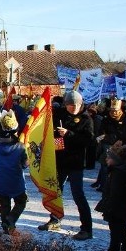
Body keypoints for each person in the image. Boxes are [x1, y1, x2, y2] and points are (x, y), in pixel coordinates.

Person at [39, 90, 95, 240]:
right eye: (71, 105)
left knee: (78, 195)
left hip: (76, 162)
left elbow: (88, 141)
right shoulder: (60, 114)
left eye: (76, 105)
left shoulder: (86, 119)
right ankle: (55, 220)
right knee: (56, 191)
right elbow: (51, 131)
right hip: (60, 160)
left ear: (81, 104)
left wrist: (69, 134)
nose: (74, 108)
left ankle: (86, 229)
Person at [0, 110, 29, 234]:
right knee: (21, 202)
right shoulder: (20, 146)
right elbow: (24, 164)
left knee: (4, 205)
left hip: (0, 181)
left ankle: (6, 225)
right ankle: (11, 219)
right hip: (16, 181)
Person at [95, 142, 126, 251]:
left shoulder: (117, 173)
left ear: (115, 160)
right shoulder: (116, 171)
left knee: (116, 231)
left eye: (108, 157)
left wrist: (108, 207)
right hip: (120, 208)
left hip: (116, 209)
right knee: (122, 230)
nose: (106, 159)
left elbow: (114, 193)